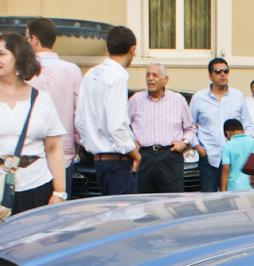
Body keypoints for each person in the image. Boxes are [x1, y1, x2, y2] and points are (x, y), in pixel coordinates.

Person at [0, 33, 67, 213]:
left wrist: (59, 191)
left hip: (36, 188)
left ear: (19, 57)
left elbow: (54, 147)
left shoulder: (42, 99)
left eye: (1, 53)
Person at [76, 25, 140, 196]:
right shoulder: (118, 76)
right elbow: (116, 124)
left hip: (99, 161)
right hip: (118, 161)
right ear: (132, 49)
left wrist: (91, 142)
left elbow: (79, 121)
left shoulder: (90, 74)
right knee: (124, 216)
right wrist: (133, 152)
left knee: (110, 216)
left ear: (107, 47)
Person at [128, 63, 194, 193]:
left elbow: (190, 128)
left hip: (170, 157)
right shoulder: (136, 99)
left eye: (155, 75)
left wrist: (184, 143)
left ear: (165, 80)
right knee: (144, 203)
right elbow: (123, 126)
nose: (150, 78)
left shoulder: (178, 100)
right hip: (143, 157)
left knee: (173, 204)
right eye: (148, 75)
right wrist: (130, 141)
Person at [189, 58, 253, 194]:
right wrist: (200, 150)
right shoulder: (199, 98)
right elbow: (189, 127)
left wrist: (243, 149)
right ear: (210, 76)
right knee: (209, 200)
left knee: (235, 200)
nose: (223, 74)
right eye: (218, 71)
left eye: (225, 71)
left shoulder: (238, 96)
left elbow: (248, 126)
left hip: (235, 159)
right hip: (210, 158)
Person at [26, 17, 83, 165]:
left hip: (30, 153)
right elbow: (80, 115)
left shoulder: (23, 72)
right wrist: (76, 146)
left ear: (34, 39)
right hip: (64, 153)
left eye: (26, 38)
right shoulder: (72, 70)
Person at [219, 118, 254, 192]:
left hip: (234, 187)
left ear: (227, 133)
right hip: (252, 186)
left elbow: (226, 169)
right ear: (243, 131)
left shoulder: (227, 146)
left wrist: (223, 190)